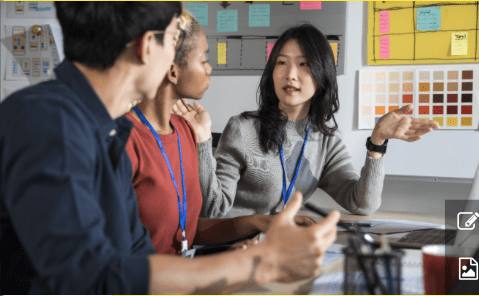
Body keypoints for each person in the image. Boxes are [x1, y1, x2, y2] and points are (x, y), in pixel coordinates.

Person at [0, 3, 340, 294]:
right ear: (147, 47)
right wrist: (262, 263)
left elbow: (140, 260)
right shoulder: (49, 122)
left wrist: (253, 256)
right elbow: (90, 278)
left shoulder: (107, 129)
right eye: (173, 41)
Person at [173, 23, 440, 219]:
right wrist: (203, 142)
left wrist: (377, 143)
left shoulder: (325, 141)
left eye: (303, 64)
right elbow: (213, 210)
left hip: (279, 250)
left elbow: (362, 204)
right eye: (281, 63)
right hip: (230, 249)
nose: (291, 75)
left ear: (321, 75)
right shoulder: (242, 129)